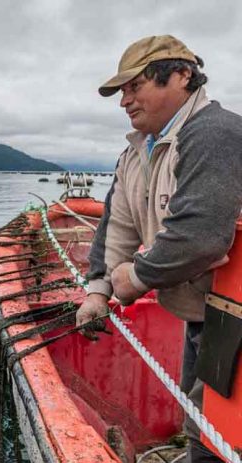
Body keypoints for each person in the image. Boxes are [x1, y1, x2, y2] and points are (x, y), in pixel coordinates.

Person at [76, 35, 242, 462]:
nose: (124, 102)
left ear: (182, 75)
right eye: (122, 91)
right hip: (202, 314)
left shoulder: (215, 134)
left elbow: (199, 235)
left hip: (235, 322)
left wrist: (136, 277)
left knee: (217, 440)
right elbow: (117, 227)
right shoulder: (135, 152)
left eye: (135, 86)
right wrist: (98, 290)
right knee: (200, 426)